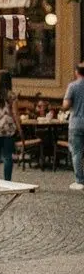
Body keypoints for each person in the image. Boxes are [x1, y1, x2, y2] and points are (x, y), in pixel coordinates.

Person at [63, 61, 84, 191]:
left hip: (76, 123)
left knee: (76, 152)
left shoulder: (73, 86)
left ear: (76, 72)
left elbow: (66, 105)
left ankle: (80, 180)